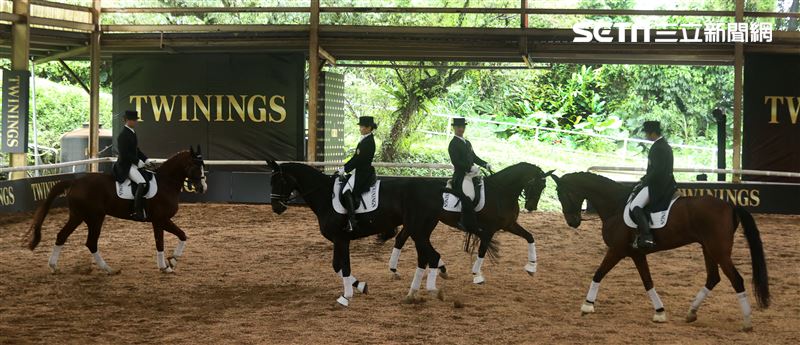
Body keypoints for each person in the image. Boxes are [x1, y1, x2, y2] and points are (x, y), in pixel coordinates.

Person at [627, 121, 677, 249]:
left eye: (647, 133)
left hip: (658, 185)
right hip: (667, 183)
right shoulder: (664, 145)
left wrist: (644, 181)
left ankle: (647, 236)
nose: (646, 136)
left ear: (653, 133)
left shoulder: (658, 147)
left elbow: (657, 171)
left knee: (635, 205)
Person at [448, 117, 491, 230]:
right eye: (458, 127)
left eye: (462, 127)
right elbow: (456, 162)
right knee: (469, 196)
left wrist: (485, 164)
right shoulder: (453, 144)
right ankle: (464, 221)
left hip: (472, 174)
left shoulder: (467, 142)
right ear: (454, 128)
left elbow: (474, 157)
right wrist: (469, 167)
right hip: (462, 175)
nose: (461, 129)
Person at [338, 116, 377, 232]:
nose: (360, 128)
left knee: (346, 191)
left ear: (369, 128)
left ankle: (352, 221)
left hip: (363, 172)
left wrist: (345, 169)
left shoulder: (368, 142)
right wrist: (344, 167)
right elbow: (355, 157)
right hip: (360, 170)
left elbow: (359, 160)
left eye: (362, 126)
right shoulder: (364, 139)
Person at [113, 110, 153, 221]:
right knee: (142, 182)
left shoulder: (132, 132)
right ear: (126, 120)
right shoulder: (123, 135)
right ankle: (137, 211)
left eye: (135, 119)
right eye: (132, 119)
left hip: (132, 163)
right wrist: (137, 161)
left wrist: (146, 159)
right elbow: (124, 154)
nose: (135, 121)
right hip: (125, 165)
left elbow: (136, 150)